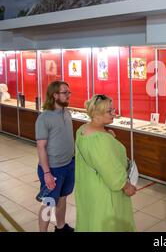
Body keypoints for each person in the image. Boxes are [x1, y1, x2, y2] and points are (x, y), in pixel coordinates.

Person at [74, 94, 136, 232]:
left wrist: (108, 137)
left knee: (90, 220)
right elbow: (111, 171)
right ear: (96, 114)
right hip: (104, 193)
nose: (114, 113)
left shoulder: (82, 130)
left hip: (88, 188)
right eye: (110, 111)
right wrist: (126, 186)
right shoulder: (101, 141)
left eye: (113, 109)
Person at [35, 81, 75, 232]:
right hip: (52, 169)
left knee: (63, 198)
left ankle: (60, 227)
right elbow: (41, 147)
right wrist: (47, 173)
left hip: (69, 165)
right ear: (55, 95)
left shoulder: (67, 113)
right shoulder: (44, 118)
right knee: (49, 202)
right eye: (65, 93)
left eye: (68, 92)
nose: (68, 95)